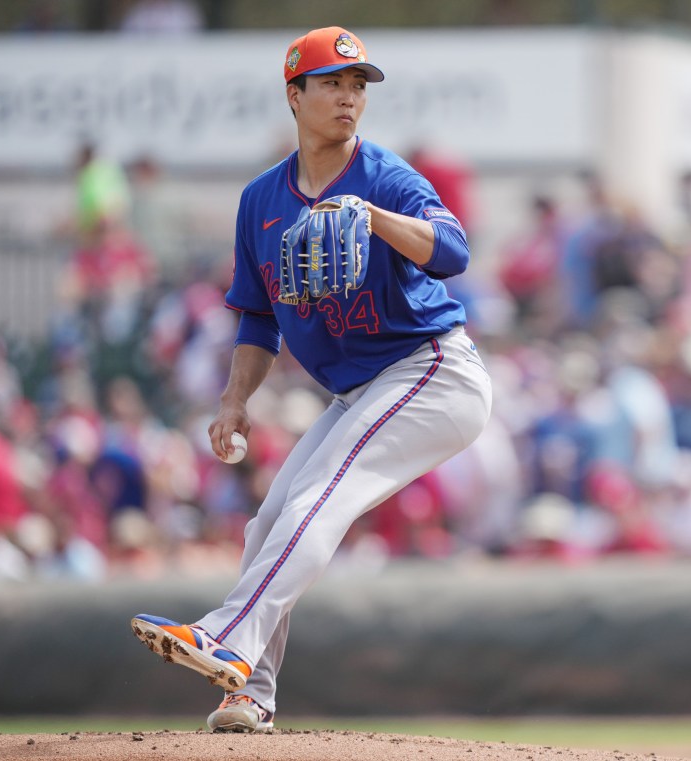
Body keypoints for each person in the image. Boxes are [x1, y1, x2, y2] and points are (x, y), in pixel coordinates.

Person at [130, 26, 492, 734]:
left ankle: (227, 636)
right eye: (333, 83)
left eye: (359, 85)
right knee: (268, 521)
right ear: (295, 95)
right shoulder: (260, 201)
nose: (350, 97)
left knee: (322, 497)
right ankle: (250, 691)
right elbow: (258, 318)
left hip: (432, 370)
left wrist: (375, 219)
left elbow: (453, 250)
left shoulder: (384, 175)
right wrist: (235, 400)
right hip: (362, 390)